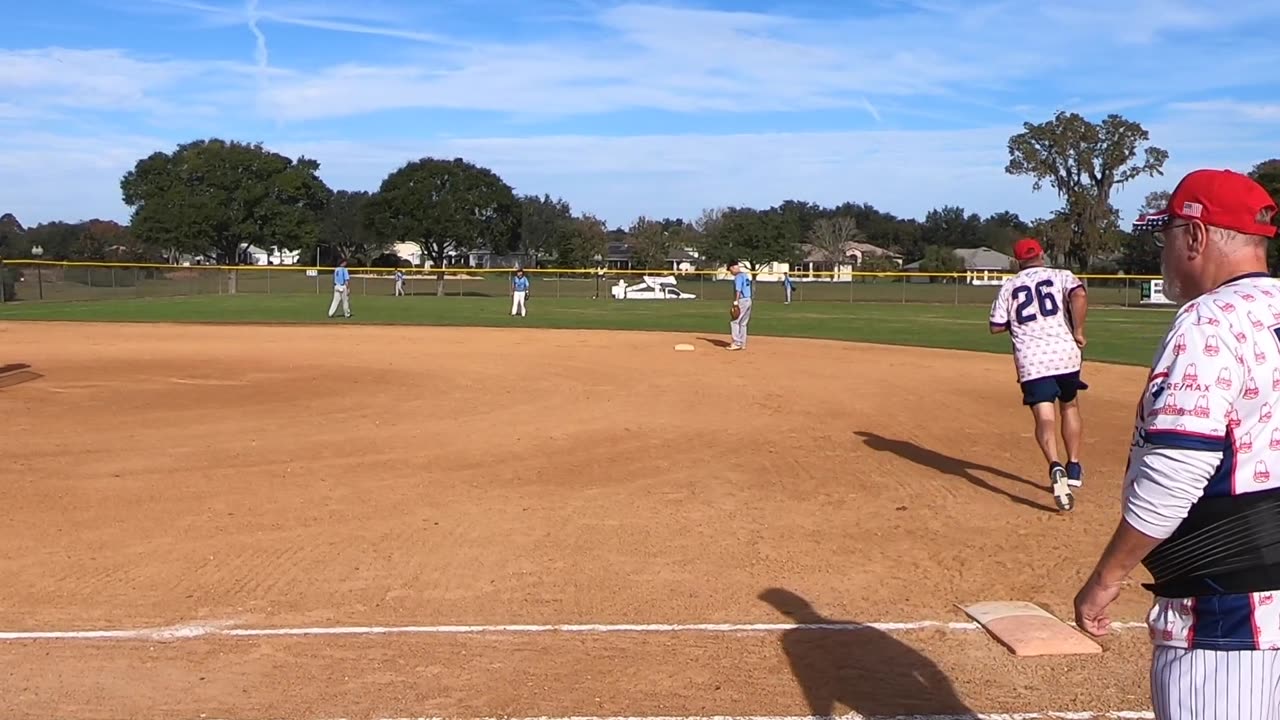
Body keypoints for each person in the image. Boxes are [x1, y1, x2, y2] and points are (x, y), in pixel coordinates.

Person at [1073, 168, 1280, 719]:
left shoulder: (1208, 323)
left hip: (1230, 616)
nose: (1163, 250)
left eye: (1165, 235)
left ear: (1195, 236)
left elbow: (1173, 476)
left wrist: (1105, 578)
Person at [988, 237, 1088, 511]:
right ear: (1042, 254)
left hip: (1032, 359)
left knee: (1044, 416)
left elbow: (995, 326)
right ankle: (1075, 466)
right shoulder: (1061, 275)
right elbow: (1079, 294)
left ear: (1017, 260)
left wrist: (1018, 322)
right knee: (1069, 406)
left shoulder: (1009, 286)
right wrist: (1078, 331)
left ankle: (1055, 464)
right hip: (1065, 353)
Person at [728, 261, 753, 351]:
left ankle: (736, 343)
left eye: (731, 270)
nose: (731, 273)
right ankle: (742, 343)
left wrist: (736, 302)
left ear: (733, 268)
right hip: (749, 299)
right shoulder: (745, 275)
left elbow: (738, 290)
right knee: (743, 323)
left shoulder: (738, 277)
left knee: (734, 322)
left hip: (742, 300)